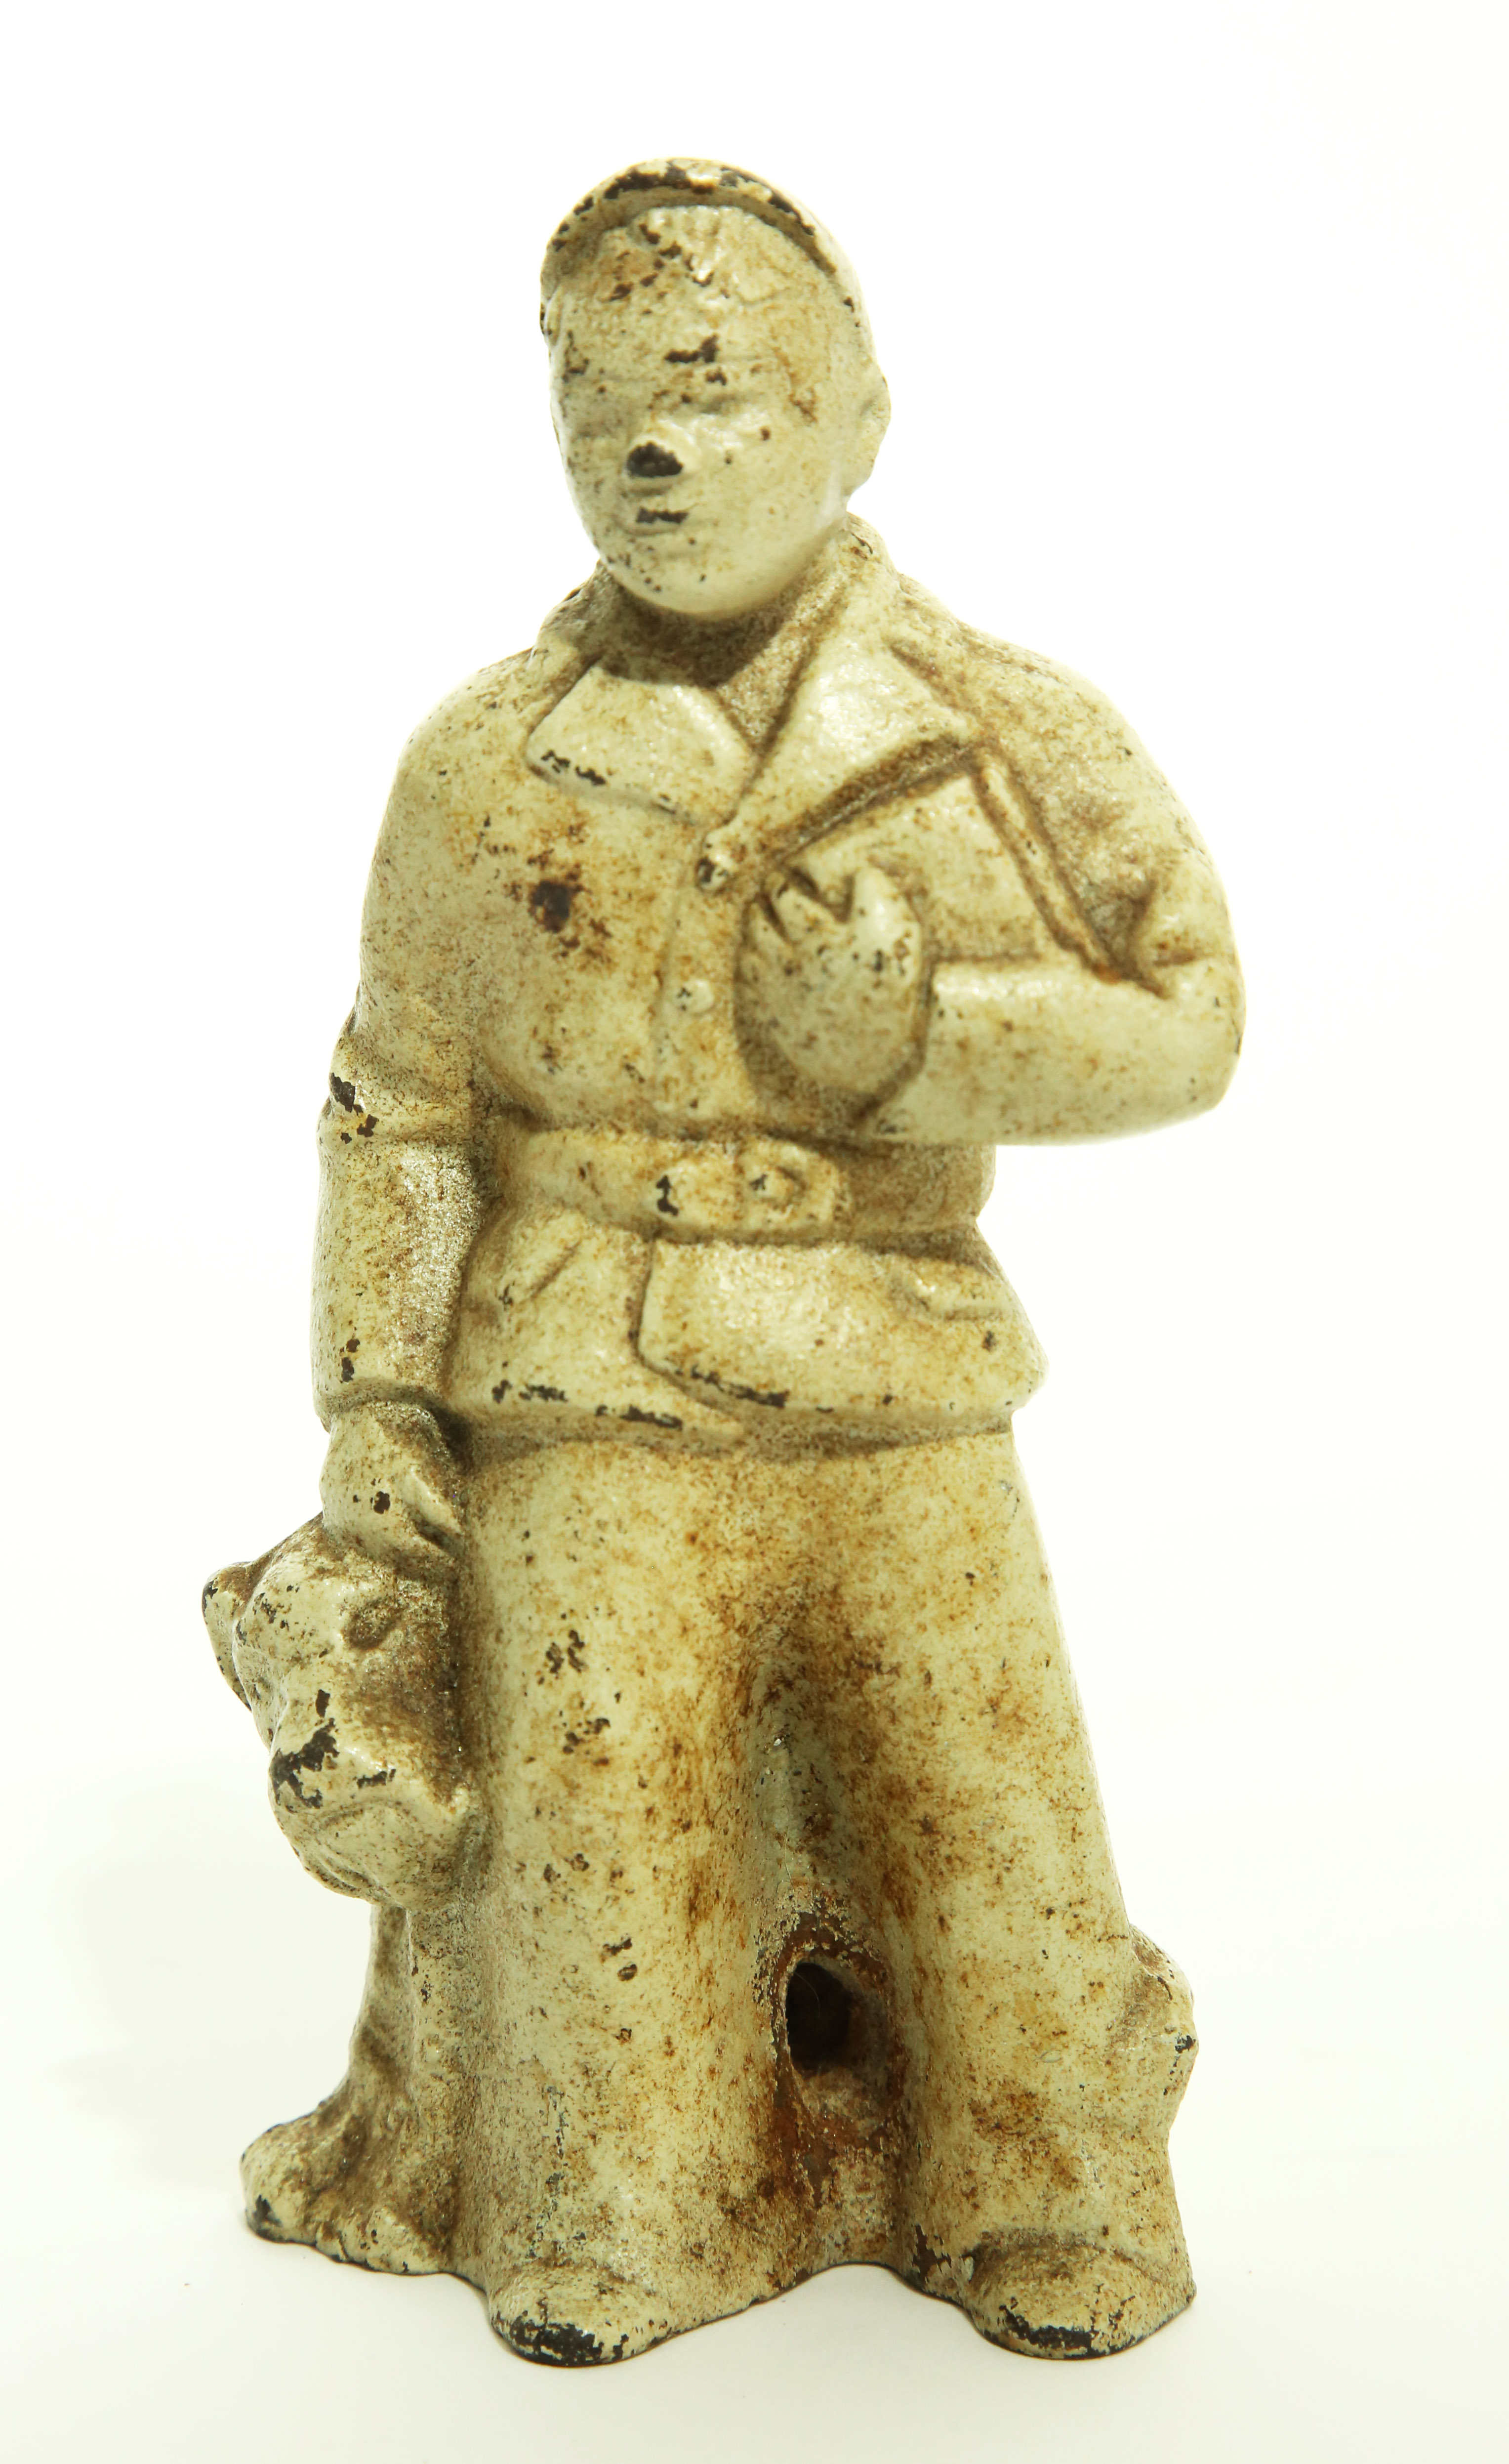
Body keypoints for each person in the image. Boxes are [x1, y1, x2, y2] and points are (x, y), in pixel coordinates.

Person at [206, 158, 1242, 2365]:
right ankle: (628, 2200)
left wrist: (921, 1040)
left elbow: (1186, 1013)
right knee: (605, 1795)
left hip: (889, 1365)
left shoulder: (993, 722)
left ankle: (1042, 2182)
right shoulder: (483, 763)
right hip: (583, 1376)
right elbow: (397, 1106)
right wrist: (378, 1407)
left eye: (713, 393)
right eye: (598, 409)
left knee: (981, 1794)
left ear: (860, 418)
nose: (650, 453)